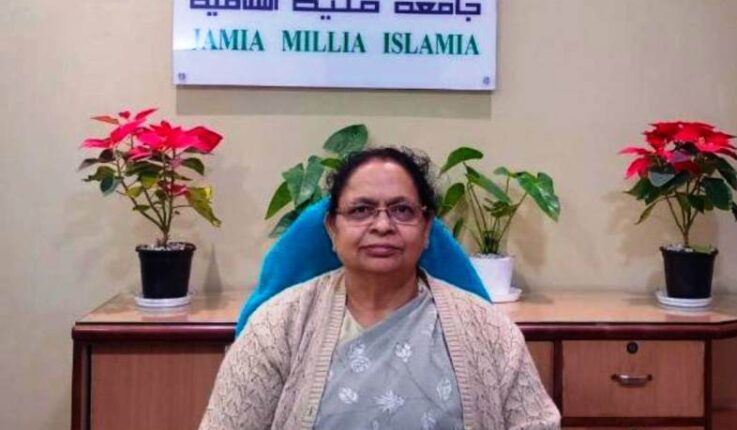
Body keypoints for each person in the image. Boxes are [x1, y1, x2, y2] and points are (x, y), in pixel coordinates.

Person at [199, 147, 561, 430]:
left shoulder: (489, 330)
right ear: (332, 228)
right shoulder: (276, 326)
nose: (383, 225)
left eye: (402, 210)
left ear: (427, 228)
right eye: (361, 210)